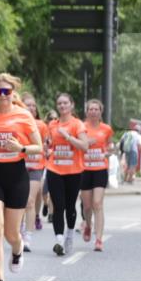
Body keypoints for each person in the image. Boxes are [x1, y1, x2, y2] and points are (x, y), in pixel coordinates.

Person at [0, 73, 43, 281]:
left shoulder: (24, 115)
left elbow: (38, 147)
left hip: (16, 176)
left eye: (7, 91)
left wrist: (21, 148)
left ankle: (17, 248)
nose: (3, 95)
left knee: (11, 233)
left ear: (13, 92)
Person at [46, 93, 89, 255]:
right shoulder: (52, 124)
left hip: (73, 171)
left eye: (65, 103)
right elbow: (50, 144)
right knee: (58, 205)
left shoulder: (77, 124)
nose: (62, 106)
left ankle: (69, 235)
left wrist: (68, 137)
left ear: (71, 105)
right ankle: (59, 241)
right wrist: (47, 147)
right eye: (59, 103)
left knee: (70, 206)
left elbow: (84, 146)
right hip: (54, 169)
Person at [80, 99, 113, 251]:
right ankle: (88, 224)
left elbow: (110, 145)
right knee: (87, 206)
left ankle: (99, 239)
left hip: (100, 168)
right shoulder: (81, 127)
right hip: (84, 169)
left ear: (101, 112)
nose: (93, 112)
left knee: (97, 203)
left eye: (96, 109)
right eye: (90, 109)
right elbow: (75, 146)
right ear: (87, 112)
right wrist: (86, 143)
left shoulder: (106, 129)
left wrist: (109, 151)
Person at [20, 93, 47, 253]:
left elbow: (46, 145)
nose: (31, 108)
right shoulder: (17, 122)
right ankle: (20, 229)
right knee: (19, 202)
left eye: (33, 105)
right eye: (27, 105)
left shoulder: (41, 125)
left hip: (36, 166)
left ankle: (28, 237)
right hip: (19, 167)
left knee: (29, 201)